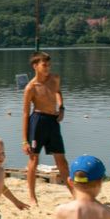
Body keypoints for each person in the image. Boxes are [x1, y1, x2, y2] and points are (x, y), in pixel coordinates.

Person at [22, 51, 71, 205]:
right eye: (44, 65)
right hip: (37, 121)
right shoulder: (31, 87)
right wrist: (24, 141)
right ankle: (32, 196)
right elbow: (25, 113)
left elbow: (58, 92)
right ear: (35, 66)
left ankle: (74, 192)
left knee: (61, 159)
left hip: (53, 121)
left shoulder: (55, 79)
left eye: (49, 65)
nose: (47, 68)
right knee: (34, 159)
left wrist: (61, 108)